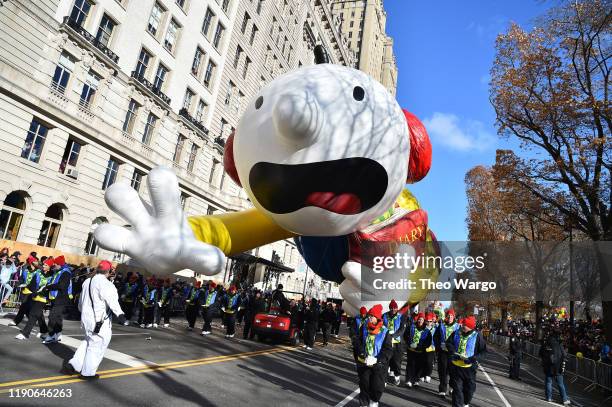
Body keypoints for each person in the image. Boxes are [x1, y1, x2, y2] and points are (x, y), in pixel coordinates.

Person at [65, 261, 126, 379]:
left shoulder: (87, 281)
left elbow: (81, 301)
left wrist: (82, 312)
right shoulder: (107, 284)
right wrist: (120, 314)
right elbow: (112, 300)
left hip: (86, 318)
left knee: (88, 341)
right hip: (100, 320)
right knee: (97, 346)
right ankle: (88, 373)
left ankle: (74, 364)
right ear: (108, 271)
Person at [354, 304, 392, 407]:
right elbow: (358, 342)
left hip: (378, 365)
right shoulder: (364, 328)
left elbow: (388, 349)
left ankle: (374, 400)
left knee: (377, 387)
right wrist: (362, 354)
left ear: (377, 318)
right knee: (364, 384)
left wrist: (377, 360)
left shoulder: (385, 331)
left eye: (372, 316)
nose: (369, 318)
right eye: (369, 316)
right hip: (364, 362)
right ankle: (364, 403)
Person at [446, 316, 487, 407]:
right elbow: (448, 343)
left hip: (469, 368)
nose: (462, 326)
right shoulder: (456, 333)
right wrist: (453, 351)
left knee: (469, 389)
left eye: (464, 325)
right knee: (457, 389)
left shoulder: (477, 336)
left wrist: (474, 359)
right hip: (456, 367)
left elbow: (483, 352)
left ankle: (465, 402)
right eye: (462, 324)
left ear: (469, 326)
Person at [15, 258, 54, 340]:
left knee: (33, 314)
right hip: (34, 295)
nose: (43, 266)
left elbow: (51, 287)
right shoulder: (38, 273)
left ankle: (25, 333)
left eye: (46, 265)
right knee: (38, 314)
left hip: (43, 298)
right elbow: (32, 283)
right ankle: (44, 331)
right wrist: (24, 286)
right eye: (43, 264)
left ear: (50, 267)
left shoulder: (52, 276)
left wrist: (43, 290)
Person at [42, 256, 73, 344]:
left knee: (52, 317)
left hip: (61, 299)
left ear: (59, 264)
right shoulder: (59, 271)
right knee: (58, 317)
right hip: (56, 299)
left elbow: (62, 286)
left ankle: (51, 335)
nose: (54, 264)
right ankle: (58, 333)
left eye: (55, 263)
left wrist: (49, 287)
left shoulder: (65, 273)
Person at [539, 333, 571, 405]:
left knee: (548, 382)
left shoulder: (545, 345)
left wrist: (544, 361)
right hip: (558, 367)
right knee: (560, 383)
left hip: (548, 367)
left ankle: (549, 397)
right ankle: (564, 399)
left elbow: (540, 354)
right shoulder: (559, 345)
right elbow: (564, 355)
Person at [433, 308, 459, 397]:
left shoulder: (457, 327)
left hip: (453, 353)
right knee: (443, 371)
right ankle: (442, 389)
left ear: (454, 317)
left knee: (452, 372)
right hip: (443, 352)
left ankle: (451, 386)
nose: (450, 317)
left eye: (452, 316)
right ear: (446, 317)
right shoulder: (441, 325)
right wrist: (438, 345)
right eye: (449, 316)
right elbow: (435, 337)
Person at [382, 299, 406, 386]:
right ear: (389, 308)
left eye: (395, 308)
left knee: (396, 361)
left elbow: (402, 329)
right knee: (385, 361)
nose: (393, 309)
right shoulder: (384, 316)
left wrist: (394, 336)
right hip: (386, 342)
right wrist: (388, 336)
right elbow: (381, 326)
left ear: (397, 308)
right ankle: (384, 380)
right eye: (391, 308)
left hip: (397, 342)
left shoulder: (401, 316)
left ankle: (397, 376)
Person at [404, 312, 431, 387]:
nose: (420, 321)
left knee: (419, 366)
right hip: (411, 350)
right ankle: (409, 380)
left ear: (424, 320)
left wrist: (421, 347)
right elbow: (405, 336)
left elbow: (428, 342)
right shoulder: (411, 327)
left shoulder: (427, 331)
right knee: (410, 365)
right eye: (419, 319)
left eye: (422, 319)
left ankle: (416, 380)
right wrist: (409, 343)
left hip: (421, 351)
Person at [10, 256, 38, 326]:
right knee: (24, 307)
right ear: (32, 263)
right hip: (25, 292)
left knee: (25, 308)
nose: (37, 263)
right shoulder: (25, 270)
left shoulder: (38, 272)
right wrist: (17, 284)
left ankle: (18, 321)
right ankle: (20, 320)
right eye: (35, 261)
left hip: (33, 292)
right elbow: (22, 280)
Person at [422, 312, 437, 383]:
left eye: (430, 321)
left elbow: (437, 338)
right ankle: (422, 375)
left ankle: (428, 375)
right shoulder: (423, 328)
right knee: (423, 361)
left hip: (432, 348)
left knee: (429, 362)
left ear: (432, 322)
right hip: (423, 347)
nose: (429, 322)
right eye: (427, 321)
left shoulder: (435, 329)